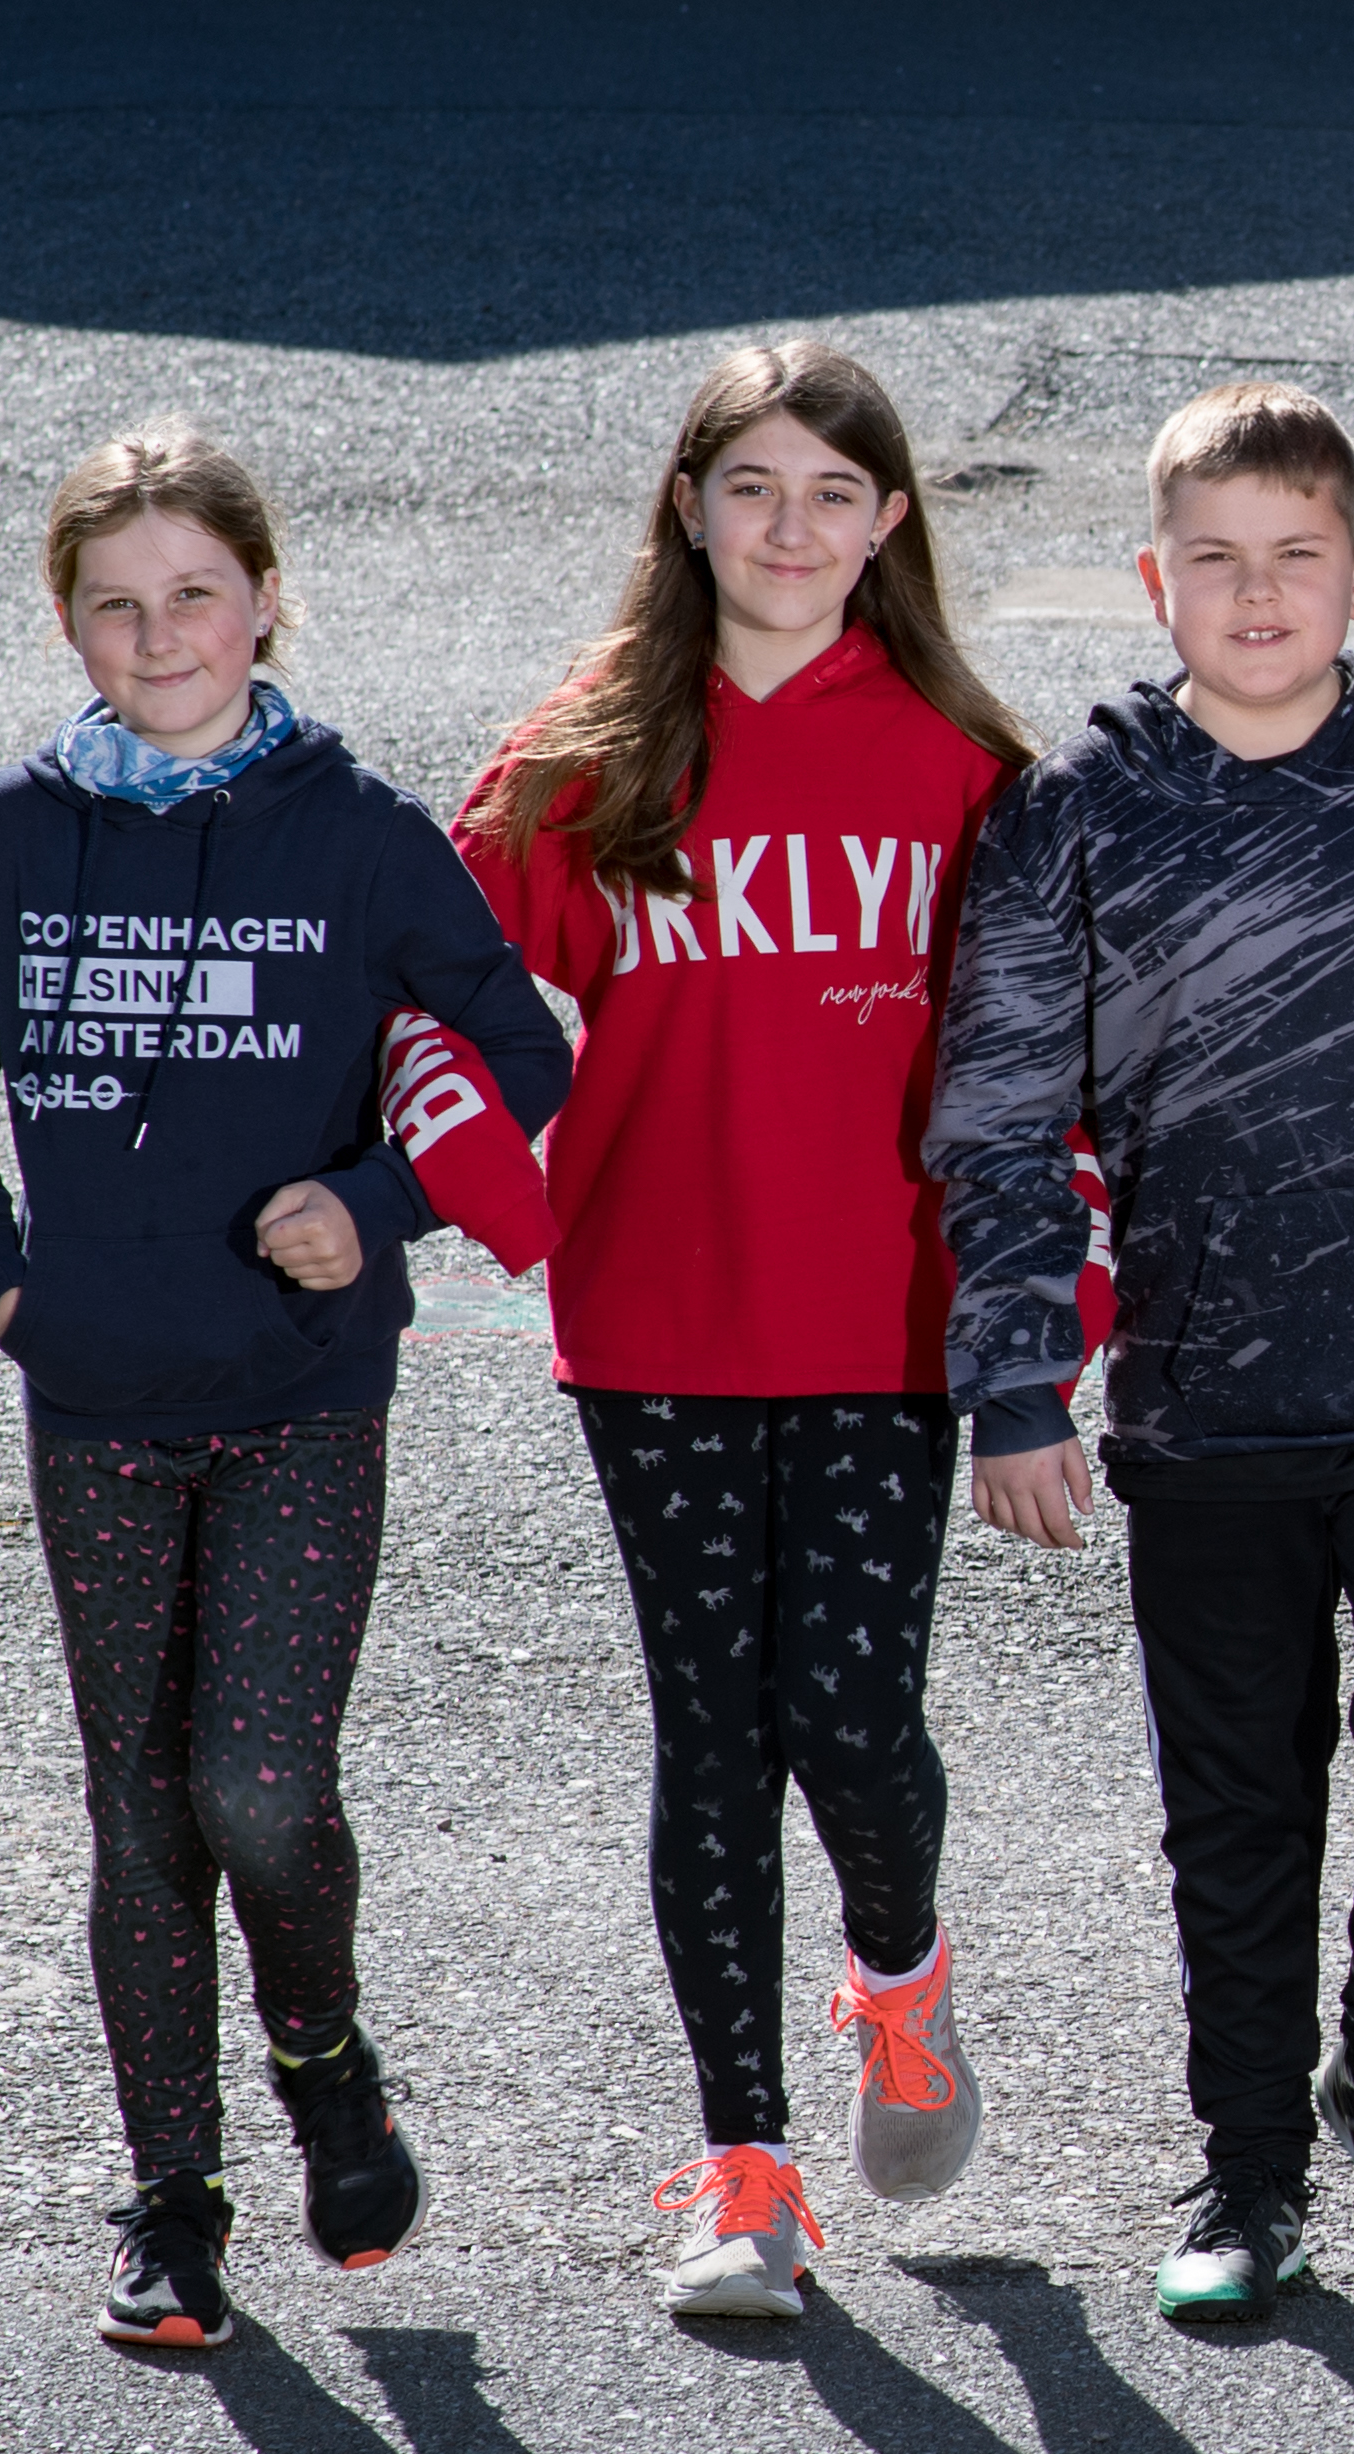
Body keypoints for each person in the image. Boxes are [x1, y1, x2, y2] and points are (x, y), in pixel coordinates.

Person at [0, 423, 574, 2347]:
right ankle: (173, 2202)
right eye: (115, 604)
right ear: (69, 627)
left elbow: (527, 1057)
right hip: (93, 1391)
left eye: (195, 592)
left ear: (267, 601)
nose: (157, 631)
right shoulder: (17, 831)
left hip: (302, 1389)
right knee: (137, 1812)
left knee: (258, 1787)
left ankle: (324, 2051)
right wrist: (6, 1286)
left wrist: (381, 1201)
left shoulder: (359, 831)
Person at [930, 381, 1354, 2327]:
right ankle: (1245, 2169)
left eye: (1294, 556)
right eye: (1214, 559)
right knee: (1236, 1804)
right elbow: (993, 1112)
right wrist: (1009, 1384)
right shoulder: (1076, 813)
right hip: (1201, 1413)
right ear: (1153, 579)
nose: (1255, 594)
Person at [454, 342, 1036, 2320]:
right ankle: (748, 2170)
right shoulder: (588, 756)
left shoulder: (963, 768)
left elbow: (1054, 1066)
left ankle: (902, 1976)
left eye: (832, 492)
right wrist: (466, 1191)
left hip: (885, 1318)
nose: (791, 527)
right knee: (713, 1729)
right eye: (752, 486)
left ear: (888, 527)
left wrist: (1056, 1302)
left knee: (849, 1718)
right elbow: (437, 1007)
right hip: (657, 1322)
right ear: (689, 510)